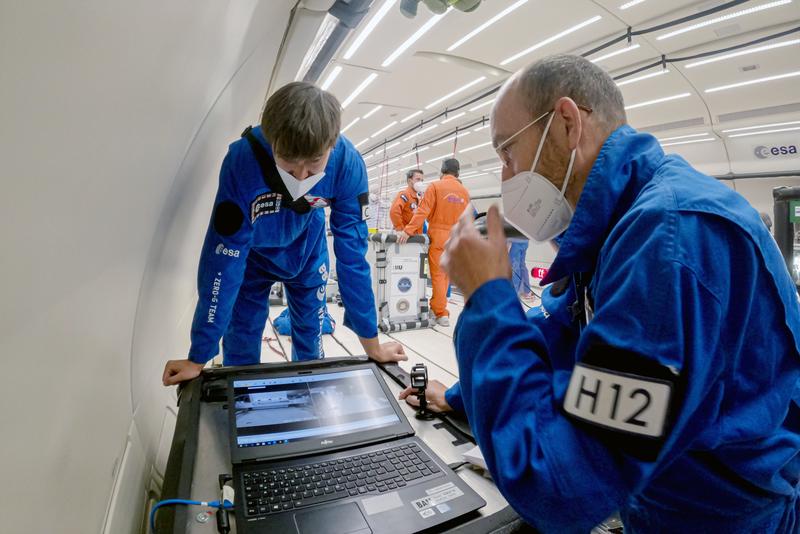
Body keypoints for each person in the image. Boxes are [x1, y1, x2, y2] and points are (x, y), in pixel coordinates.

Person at [407, 55, 800, 532]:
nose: (506, 178)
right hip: (663, 498)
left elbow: (560, 486)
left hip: (721, 518)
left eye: (507, 153)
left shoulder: (668, 242)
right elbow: (562, 333)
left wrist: (489, 298)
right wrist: (460, 395)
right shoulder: (618, 227)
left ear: (567, 123)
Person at [163, 82, 406, 386]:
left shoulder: (347, 165)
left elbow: (352, 257)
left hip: (307, 256)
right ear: (271, 140)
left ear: (332, 145)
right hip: (252, 259)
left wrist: (372, 344)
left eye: (314, 163)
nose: (302, 176)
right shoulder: (243, 161)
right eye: (289, 165)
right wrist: (198, 355)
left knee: (309, 341)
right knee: (240, 343)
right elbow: (223, 258)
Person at [398, 158, 470, 326]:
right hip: (457, 238)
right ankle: (439, 308)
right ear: (457, 172)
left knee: (438, 276)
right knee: (447, 276)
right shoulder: (465, 192)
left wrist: (407, 231)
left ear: (442, 171)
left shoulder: (435, 187)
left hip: (439, 237)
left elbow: (422, 212)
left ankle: (440, 312)